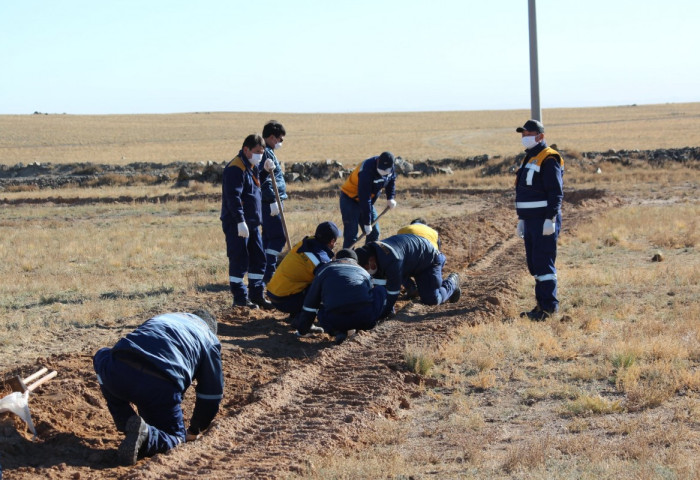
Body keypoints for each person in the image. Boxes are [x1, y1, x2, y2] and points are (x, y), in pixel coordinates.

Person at [92, 310, 223, 465]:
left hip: (118, 371)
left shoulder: (164, 318)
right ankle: (147, 437)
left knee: (102, 356)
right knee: (176, 439)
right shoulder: (209, 338)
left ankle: (125, 421)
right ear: (211, 328)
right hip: (159, 386)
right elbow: (210, 395)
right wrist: (195, 429)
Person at [514, 119, 564, 321]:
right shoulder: (529, 158)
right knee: (535, 264)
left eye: (529, 134)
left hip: (544, 221)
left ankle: (549, 309)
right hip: (530, 221)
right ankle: (540, 306)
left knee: (544, 264)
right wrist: (522, 219)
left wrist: (550, 218)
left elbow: (555, 192)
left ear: (540, 136)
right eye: (523, 134)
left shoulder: (548, 158)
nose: (525, 137)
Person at [354, 233, 461, 319]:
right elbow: (379, 287)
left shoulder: (392, 259)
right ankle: (413, 288)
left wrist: (381, 316)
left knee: (432, 300)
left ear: (371, 261)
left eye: (365, 268)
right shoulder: (372, 253)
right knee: (385, 282)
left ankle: (452, 282)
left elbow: (392, 293)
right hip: (408, 263)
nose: (366, 272)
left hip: (428, 262)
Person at [221, 133, 272, 309]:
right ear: (246, 149)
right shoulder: (235, 168)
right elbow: (233, 198)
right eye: (257, 151)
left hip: (252, 223)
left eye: (262, 152)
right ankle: (240, 299)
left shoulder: (252, 165)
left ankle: (257, 295)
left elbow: (253, 189)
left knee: (259, 258)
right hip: (238, 223)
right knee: (239, 260)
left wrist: (265, 171)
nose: (260, 155)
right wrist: (239, 221)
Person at [293, 248, 387, 345]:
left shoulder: (324, 269)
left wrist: (302, 331)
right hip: (364, 318)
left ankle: (338, 331)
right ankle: (367, 326)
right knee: (380, 290)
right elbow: (369, 295)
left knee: (321, 302)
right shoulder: (363, 272)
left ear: (336, 259)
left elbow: (310, 305)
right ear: (356, 261)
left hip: (335, 321)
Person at [266, 221, 340, 320]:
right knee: (323, 289)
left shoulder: (306, 242)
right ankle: (303, 320)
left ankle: (295, 315)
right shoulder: (319, 261)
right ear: (332, 241)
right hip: (284, 301)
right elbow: (329, 283)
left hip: (274, 293)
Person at [339, 151, 397, 248]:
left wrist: (390, 197)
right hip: (350, 199)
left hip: (367, 202)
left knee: (374, 233)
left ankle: (367, 258)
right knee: (352, 235)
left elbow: (391, 181)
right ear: (378, 161)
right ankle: (347, 259)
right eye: (381, 169)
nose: (383, 172)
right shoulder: (366, 170)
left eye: (386, 170)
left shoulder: (391, 168)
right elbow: (364, 198)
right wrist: (367, 222)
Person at [259, 120, 289, 285]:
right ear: (271, 137)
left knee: (268, 237)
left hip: (271, 200)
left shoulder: (268, 151)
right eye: (280, 139)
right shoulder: (266, 153)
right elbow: (267, 180)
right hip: (271, 201)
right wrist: (272, 201)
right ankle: (269, 273)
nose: (280, 143)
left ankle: (261, 270)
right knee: (278, 237)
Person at [397, 218, 441, 298]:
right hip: (428, 260)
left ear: (411, 224)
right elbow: (438, 252)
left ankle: (411, 287)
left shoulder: (402, 230)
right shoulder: (433, 232)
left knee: (396, 265)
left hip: (409, 260)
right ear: (425, 225)